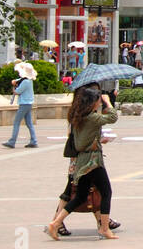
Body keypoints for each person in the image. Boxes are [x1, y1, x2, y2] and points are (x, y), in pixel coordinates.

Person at [47, 87, 119, 240]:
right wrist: (108, 101)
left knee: (80, 196)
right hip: (93, 161)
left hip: (81, 160)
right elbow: (113, 117)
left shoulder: (77, 117)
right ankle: (105, 228)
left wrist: (97, 140)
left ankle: (56, 223)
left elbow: (84, 139)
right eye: (97, 102)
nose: (99, 104)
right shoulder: (92, 118)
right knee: (106, 192)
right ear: (91, 103)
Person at [1, 62, 38, 149]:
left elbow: (17, 92)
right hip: (28, 103)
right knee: (29, 123)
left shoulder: (25, 82)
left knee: (16, 122)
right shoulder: (29, 81)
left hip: (24, 104)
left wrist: (14, 87)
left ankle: (12, 141)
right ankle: (33, 140)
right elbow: (18, 80)